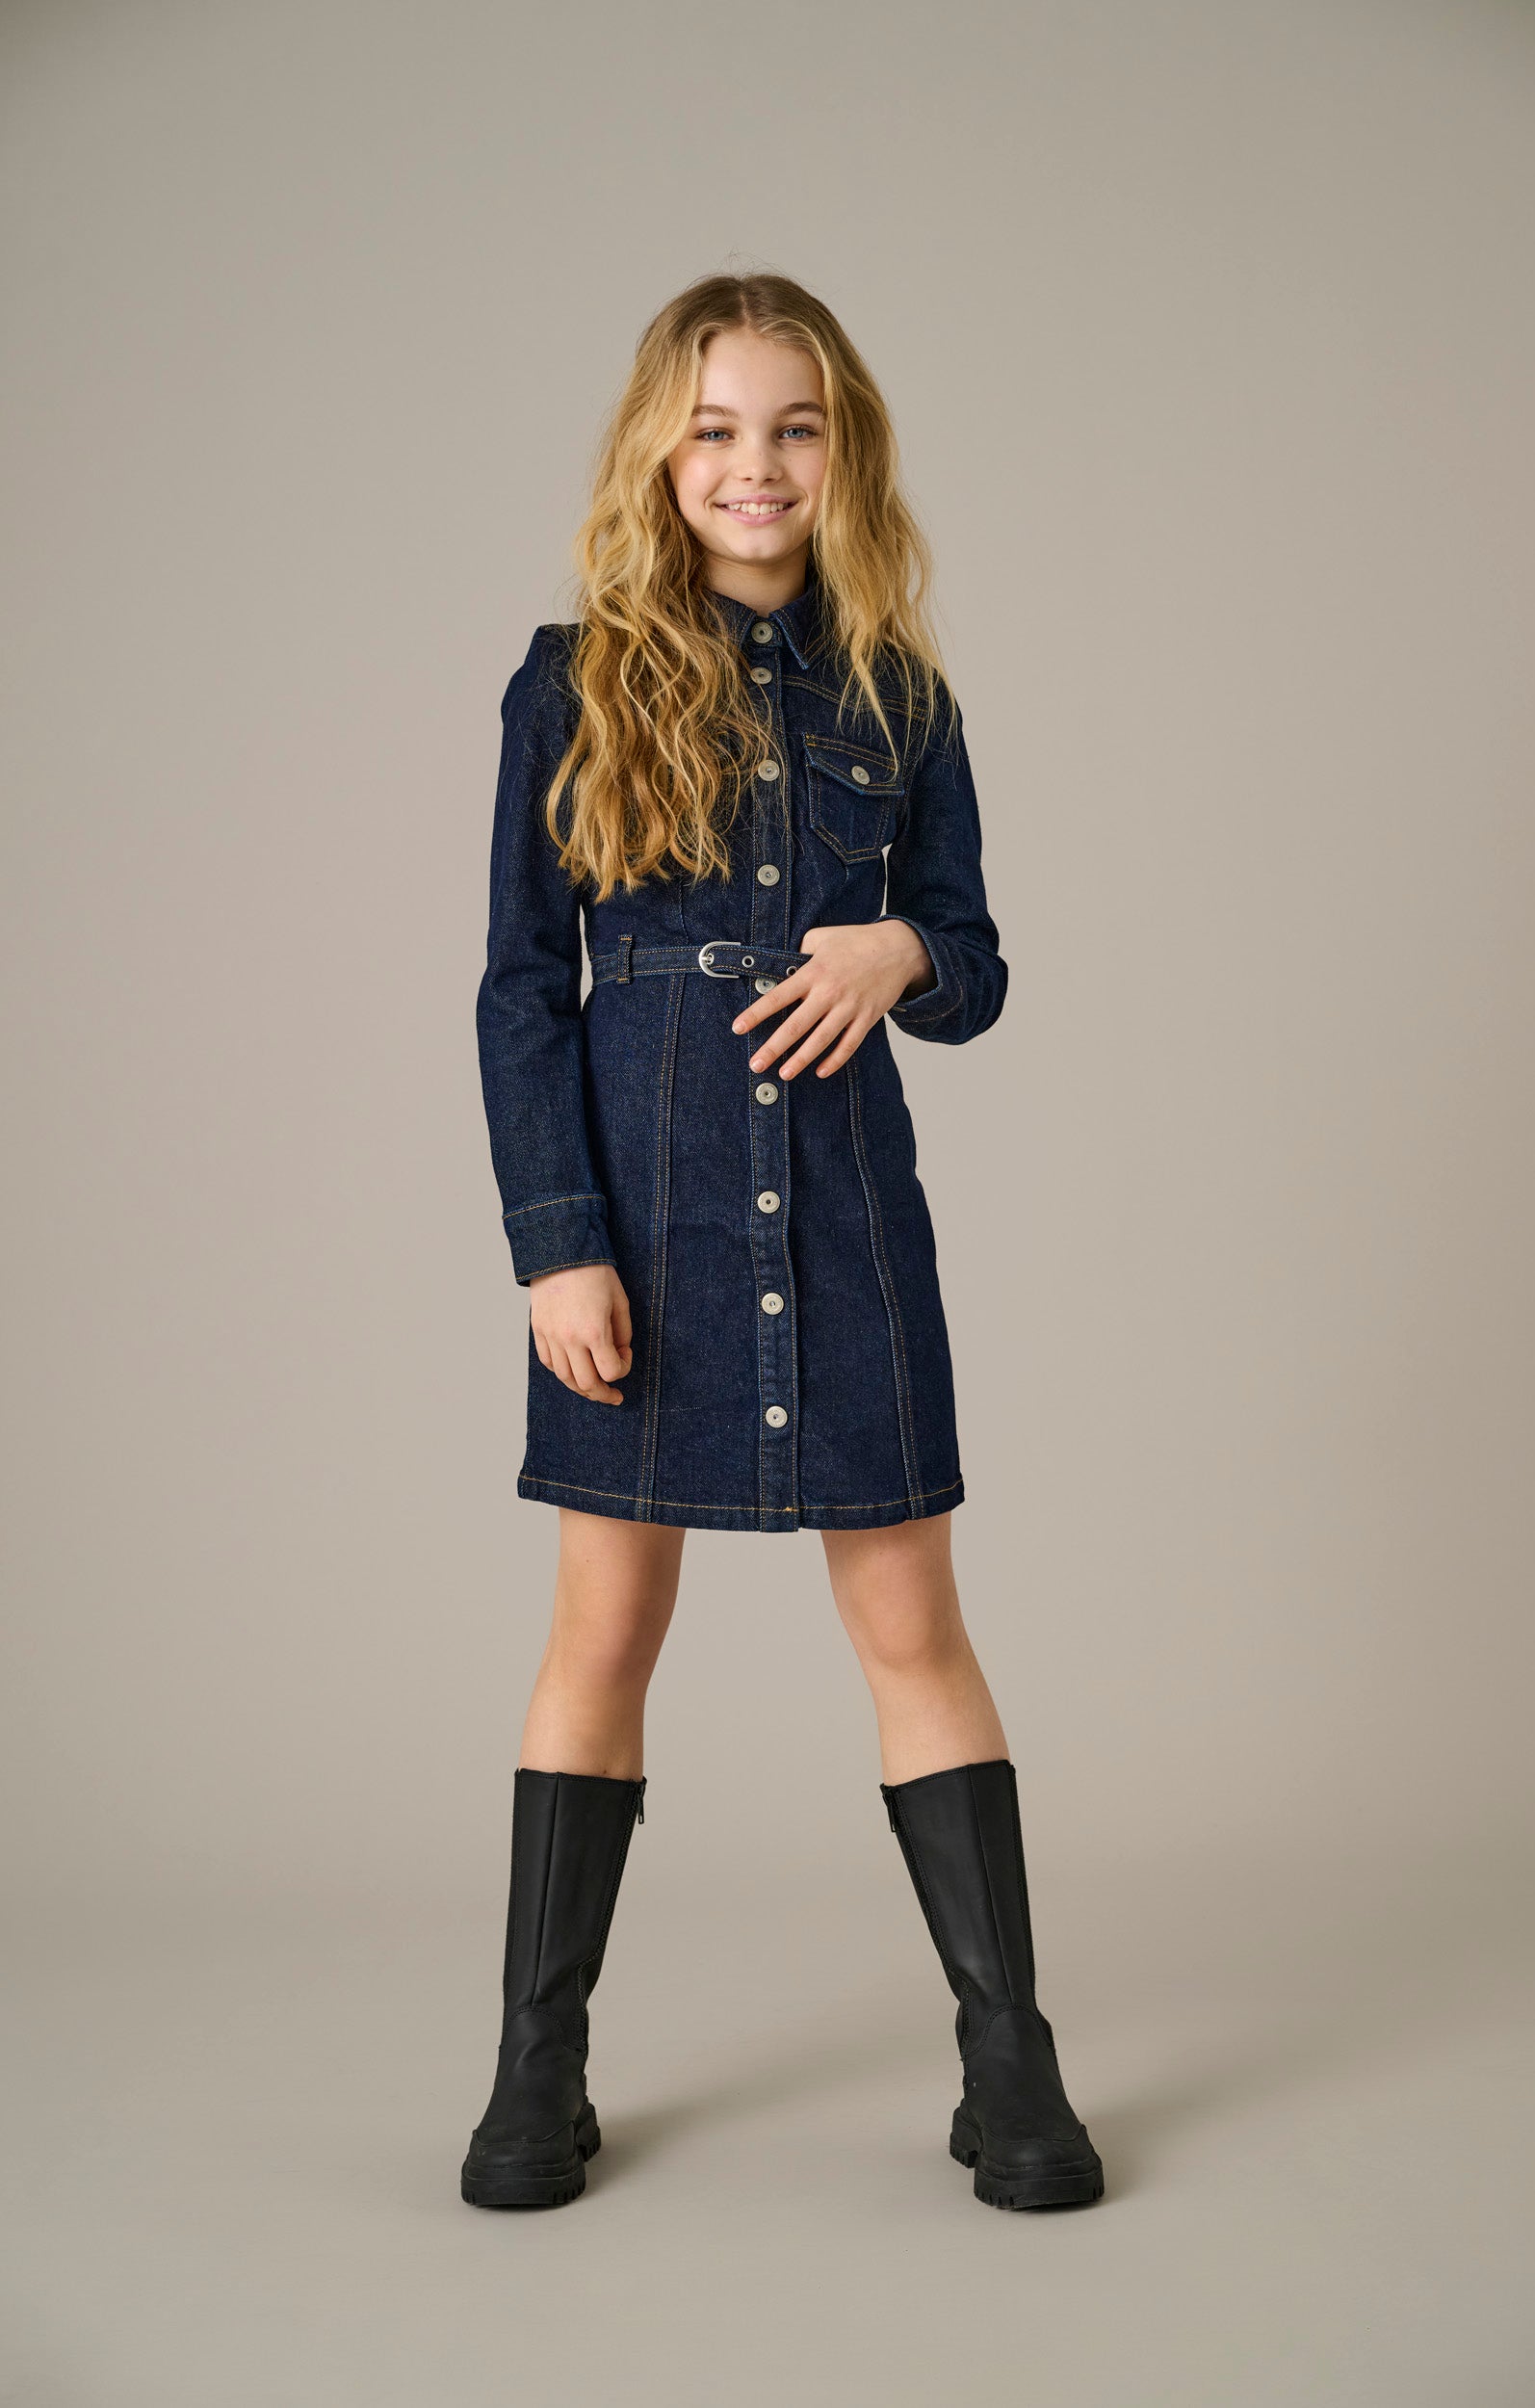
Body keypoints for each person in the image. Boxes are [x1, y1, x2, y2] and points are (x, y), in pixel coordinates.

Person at [461, 272, 1103, 2214]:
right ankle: (536, 2069)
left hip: (842, 1217)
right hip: (641, 1224)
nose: (757, 464)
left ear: (845, 452)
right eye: (720, 429)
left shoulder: (904, 697)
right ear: (663, 455)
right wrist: (556, 1245)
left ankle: (1010, 2063)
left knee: (914, 1627)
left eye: (795, 428)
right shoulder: (570, 681)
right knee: (602, 1630)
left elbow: (974, 968)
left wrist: (902, 947)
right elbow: (520, 990)